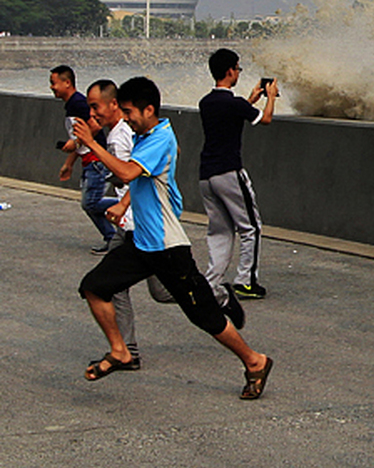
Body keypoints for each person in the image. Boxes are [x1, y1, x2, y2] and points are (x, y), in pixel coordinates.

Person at [73, 76, 273, 398]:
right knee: (93, 288)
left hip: (168, 248)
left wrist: (92, 143)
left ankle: (254, 360)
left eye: (128, 111)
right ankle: (121, 351)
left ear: (148, 109)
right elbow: (140, 180)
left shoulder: (158, 138)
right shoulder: (148, 134)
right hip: (141, 244)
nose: (125, 117)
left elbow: (127, 172)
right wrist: (124, 204)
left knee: (204, 316)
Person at [198, 48, 275, 301]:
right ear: (230, 71)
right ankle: (246, 281)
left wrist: (250, 100)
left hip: (206, 175)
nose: (239, 73)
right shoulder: (234, 104)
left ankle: (212, 282)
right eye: (238, 69)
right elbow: (265, 120)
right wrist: (270, 97)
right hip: (229, 172)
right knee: (250, 227)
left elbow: (231, 114)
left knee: (219, 231)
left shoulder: (206, 103)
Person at [86, 80, 141, 366]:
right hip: (129, 225)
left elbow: (137, 174)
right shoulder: (118, 133)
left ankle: (218, 297)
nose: (93, 114)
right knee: (114, 286)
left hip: (139, 225)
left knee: (168, 291)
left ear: (114, 104)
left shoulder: (121, 136)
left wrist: (121, 204)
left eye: (96, 107)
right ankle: (127, 351)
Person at [51, 65, 108, 251]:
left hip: (96, 159)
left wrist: (74, 143)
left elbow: (95, 126)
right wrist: (69, 163)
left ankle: (126, 209)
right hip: (89, 160)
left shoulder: (78, 103)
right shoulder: (72, 104)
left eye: (54, 83)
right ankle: (112, 238)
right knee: (89, 203)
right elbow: (80, 136)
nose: (51, 87)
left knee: (90, 202)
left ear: (67, 83)